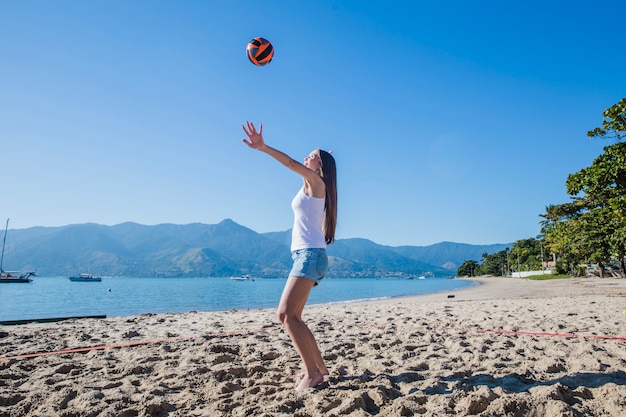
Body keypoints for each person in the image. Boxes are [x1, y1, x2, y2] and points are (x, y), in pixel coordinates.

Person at [242, 121, 338, 392]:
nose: (307, 156)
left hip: (310, 255)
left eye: (313, 155)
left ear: (320, 167)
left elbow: (289, 162)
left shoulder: (316, 181)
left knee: (285, 315)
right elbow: (297, 164)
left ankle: (311, 374)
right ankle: (320, 368)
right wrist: (322, 156)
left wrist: (262, 147)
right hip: (307, 255)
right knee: (294, 316)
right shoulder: (310, 184)